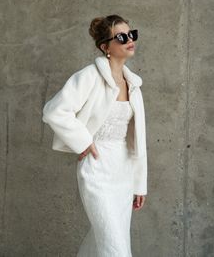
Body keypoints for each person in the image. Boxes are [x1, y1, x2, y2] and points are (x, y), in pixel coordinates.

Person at [42, 14, 148, 257]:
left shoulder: (133, 85)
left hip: (123, 170)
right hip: (97, 169)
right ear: (105, 47)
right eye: (121, 37)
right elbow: (54, 111)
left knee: (105, 242)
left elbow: (137, 141)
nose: (129, 40)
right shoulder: (90, 76)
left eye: (132, 34)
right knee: (114, 247)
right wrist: (84, 142)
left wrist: (139, 183)